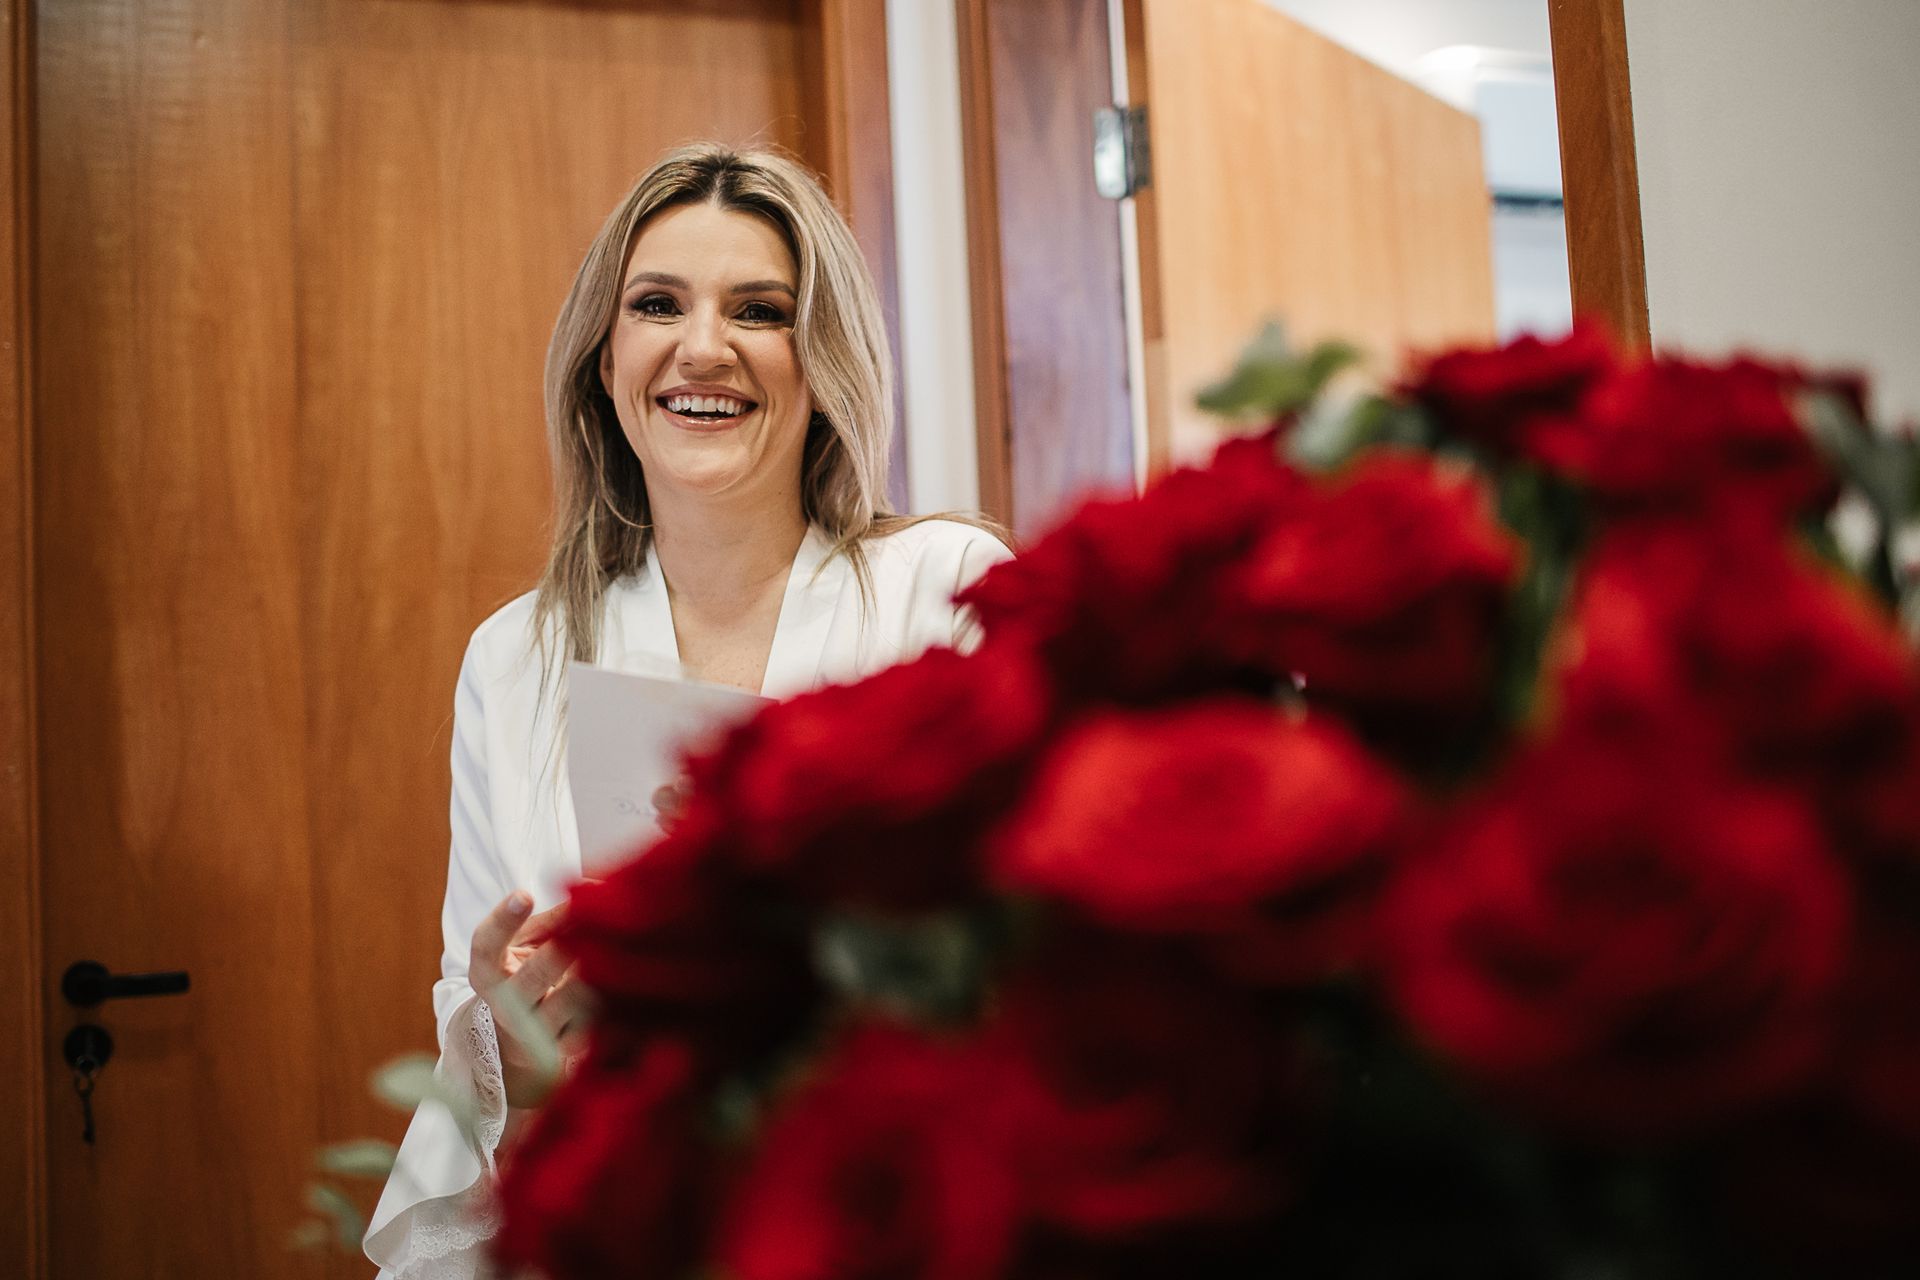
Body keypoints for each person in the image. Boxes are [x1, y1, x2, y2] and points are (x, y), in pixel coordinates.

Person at [363, 143, 1011, 1278]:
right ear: (604, 362)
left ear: (824, 361)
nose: (703, 347)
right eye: (657, 304)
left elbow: (1031, 963)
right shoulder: (514, 658)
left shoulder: (946, 591)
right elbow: (485, 1030)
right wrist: (511, 1041)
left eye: (759, 310)